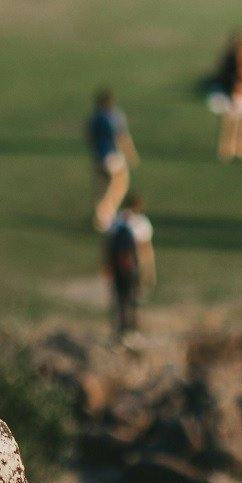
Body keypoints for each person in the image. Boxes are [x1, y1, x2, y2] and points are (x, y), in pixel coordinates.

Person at [103, 192, 155, 340]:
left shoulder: (117, 220)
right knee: (133, 298)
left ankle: (119, 330)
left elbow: (108, 244)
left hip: (117, 266)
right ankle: (132, 329)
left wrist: (107, 265)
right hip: (133, 266)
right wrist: (150, 270)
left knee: (119, 298)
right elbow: (146, 249)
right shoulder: (141, 223)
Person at [87, 90, 139, 232]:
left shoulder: (94, 117)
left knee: (103, 187)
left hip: (97, 157)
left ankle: (103, 216)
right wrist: (131, 154)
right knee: (120, 184)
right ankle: (103, 215)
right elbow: (122, 136)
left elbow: (89, 137)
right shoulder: (114, 116)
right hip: (111, 155)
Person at [215, 31, 242, 162]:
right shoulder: (240, 58)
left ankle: (230, 149)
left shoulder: (228, 58)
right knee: (239, 120)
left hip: (233, 90)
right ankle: (237, 148)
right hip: (238, 90)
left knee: (233, 120)